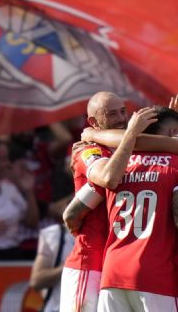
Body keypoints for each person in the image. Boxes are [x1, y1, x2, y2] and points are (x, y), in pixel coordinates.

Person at [93, 107, 178, 311]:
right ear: (173, 134)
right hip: (156, 276)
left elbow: (74, 211)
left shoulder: (116, 163)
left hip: (112, 274)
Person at [59, 91, 136, 312]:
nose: (122, 119)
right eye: (112, 114)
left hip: (119, 264)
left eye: (123, 111)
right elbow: (107, 178)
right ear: (93, 122)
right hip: (89, 260)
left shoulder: (133, 152)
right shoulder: (87, 148)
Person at [30, 221, 74, 312]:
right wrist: (69, 266)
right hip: (57, 308)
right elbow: (36, 281)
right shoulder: (55, 234)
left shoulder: (106, 234)